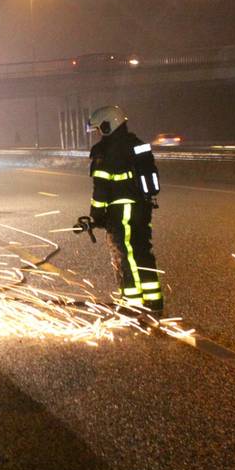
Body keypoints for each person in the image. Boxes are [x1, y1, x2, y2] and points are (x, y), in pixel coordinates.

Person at [86, 106, 163, 316]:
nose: (98, 134)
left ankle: (132, 304)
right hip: (142, 207)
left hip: (123, 211)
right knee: (142, 251)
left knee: (126, 255)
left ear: (108, 125)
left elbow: (101, 191)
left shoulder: (106, 152)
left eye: (99, 130)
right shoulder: (137, 145)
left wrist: (95, 217)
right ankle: (154, 301)